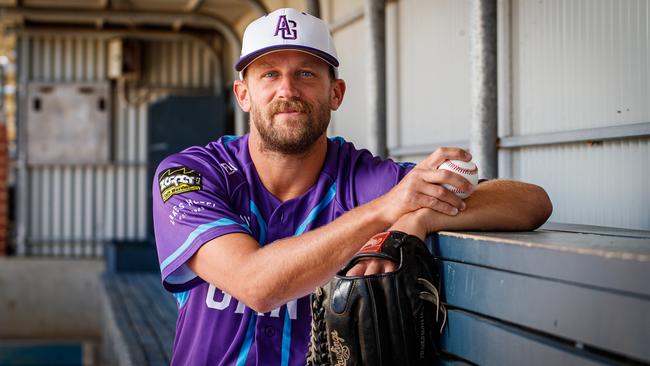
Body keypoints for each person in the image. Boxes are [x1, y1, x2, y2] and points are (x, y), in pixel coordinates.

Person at [152, 7, 552, 366]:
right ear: (244, 95)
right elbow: (257, 285)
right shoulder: (192, 175)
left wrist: (417, 219)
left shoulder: (362, 179)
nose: (287, 90)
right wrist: (386, 211)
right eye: (270, 74)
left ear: (336, 93)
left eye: (306, 73)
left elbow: (531, 202)